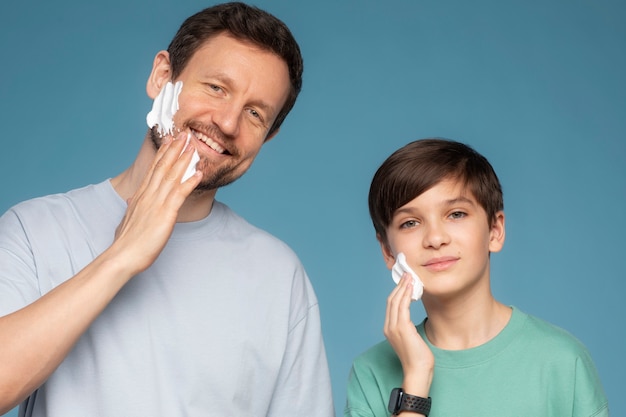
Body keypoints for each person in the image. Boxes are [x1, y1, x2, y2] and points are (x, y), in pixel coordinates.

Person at [0, 3, 334, 416]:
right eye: (216, 87)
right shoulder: (35, 230)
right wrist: (121, 256)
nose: (228, 123)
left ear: (269, 135)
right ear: (162, 77)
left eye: (254, 113)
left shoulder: (280, 276)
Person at [344, 139, 608, 416]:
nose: (435, 238)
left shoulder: (562, 361)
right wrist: (415, 381)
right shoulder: (370, 373)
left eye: (456, 214)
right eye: (410, 223)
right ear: (387, 250)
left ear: (495, 230)